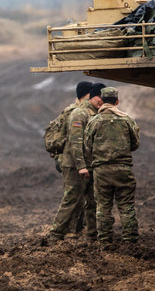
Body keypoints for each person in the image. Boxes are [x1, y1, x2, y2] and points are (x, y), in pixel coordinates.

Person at [84, 87, 140, 246]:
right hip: (123, 169)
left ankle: (105, 242)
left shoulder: (94, 121)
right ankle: (130, 241)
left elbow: (88, 146)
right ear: (117, 101)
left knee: (103, 207)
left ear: (101, 101)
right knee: (127, 206)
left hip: (102, 171)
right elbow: (135, 144)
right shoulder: (127, 120)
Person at [50, 82, 105, 241]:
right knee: (72, 199)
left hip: (89, 164)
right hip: (75, 165)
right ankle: (56, 234)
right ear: (92, 96)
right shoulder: (79, 113)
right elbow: (76, 142)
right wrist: (81, 166)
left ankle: (92, 235)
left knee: (92, 201)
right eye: (99, 98)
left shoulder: (94, 112)